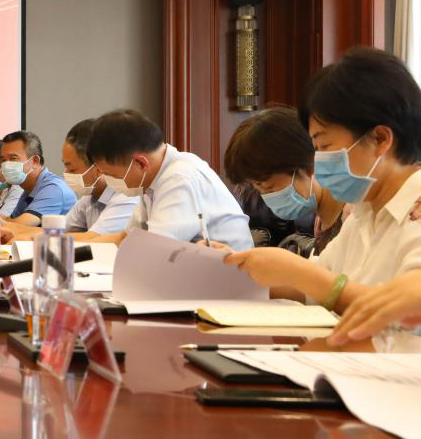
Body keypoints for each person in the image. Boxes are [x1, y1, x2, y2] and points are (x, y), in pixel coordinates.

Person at [224, 48, 421, 310]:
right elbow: (317, 287)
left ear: (380, 138)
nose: (317, 161)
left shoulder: (415, 209)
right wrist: (235, 269)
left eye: (325, 146)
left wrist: (298, 271)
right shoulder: (362, 214)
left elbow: (404, 310)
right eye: (316, 148)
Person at [88, 109, 252, 251]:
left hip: (229, 272)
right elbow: (126, 238)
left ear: (141, 163)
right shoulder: (151, 179)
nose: (110, 183)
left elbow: (157, 249)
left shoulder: (179, 178)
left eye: (113, 176)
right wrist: (79, 252)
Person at [222, 106, 345, 254]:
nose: (268, 197)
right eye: (258, 189)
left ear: (308, 167)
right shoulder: (322, 221)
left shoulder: (352, 217)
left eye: (269, 187)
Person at [0, 131, 76, 226]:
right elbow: (11, 220)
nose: (6, 165)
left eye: (13, 158)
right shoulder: (28, 189)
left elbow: (17, 226)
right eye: (3, 160)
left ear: (35, 161)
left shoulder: (53, 188)